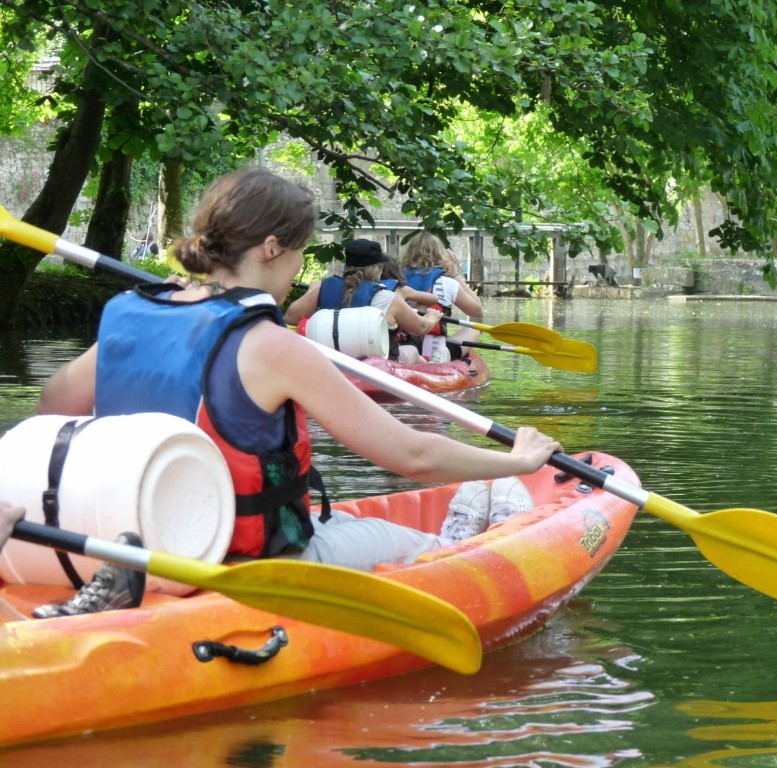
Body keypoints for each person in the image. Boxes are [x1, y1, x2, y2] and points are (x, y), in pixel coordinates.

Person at [34, 168, 557, 617]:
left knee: (341, 521)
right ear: (270, 249)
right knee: (433, 550)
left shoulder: (134, 314)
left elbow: (54, 406)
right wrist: (519, 460)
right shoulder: (270, 346)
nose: (294, 276)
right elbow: (412, 455)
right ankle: (463, 526)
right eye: (296, 259)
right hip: (251, 563)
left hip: (143, 541)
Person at [285, 240, 442, 363]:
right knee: (411, 351)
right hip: (378, 369)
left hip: (333, 363)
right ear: (377, 268)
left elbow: (291, 317)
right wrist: (431, 317)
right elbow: (421, 328)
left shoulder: (323, 289)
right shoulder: (387, 297)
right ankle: (433, 366)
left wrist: (313, 289)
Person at [401, 231, 484, 363]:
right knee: (474, 328)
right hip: (434, 348)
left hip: (405, 346)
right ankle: (445, 353)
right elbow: (477, 310)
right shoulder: (447, 282)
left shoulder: (397, 281)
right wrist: (455, 274)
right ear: (440, 254)